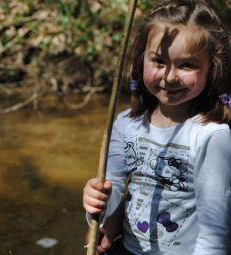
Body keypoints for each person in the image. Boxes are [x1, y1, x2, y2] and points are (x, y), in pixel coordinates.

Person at [83, 0, 231, 254]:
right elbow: (115, 191)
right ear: (142, 60)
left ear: (212, 69)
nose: (169, 76)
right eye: (159, 61)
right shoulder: (125, 124)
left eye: (186, 65)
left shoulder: (212, 136)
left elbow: (214, 232)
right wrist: (99, 203)